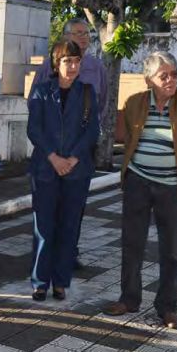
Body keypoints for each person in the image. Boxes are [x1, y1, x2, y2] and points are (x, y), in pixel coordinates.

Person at [104, 52, 177, 329]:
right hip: (138, 181)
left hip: (172, 186)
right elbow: (127, 136)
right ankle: (129, 298)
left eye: (174, 74)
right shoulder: (135, 102)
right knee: (132, 243)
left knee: (171, 249)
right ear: (149, 79)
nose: (172, 80)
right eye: (165, 75)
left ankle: (168, 307)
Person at [30, 17, 107, 269]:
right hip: (50, 154)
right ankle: (45, 260)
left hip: (80, 151)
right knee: (47, 211)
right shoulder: (48, 69)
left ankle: (68, 254)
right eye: (77, 33)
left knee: (74, 210)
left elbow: (101, 105)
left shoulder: (96, 67)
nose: (83, 38)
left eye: (86, 33)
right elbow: (36, 106)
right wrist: (52, 152)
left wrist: (79, 148)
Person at [27, 40, 98, 301]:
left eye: (77, 61)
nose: (72, 66)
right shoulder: (42, 91)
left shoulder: (88, 92)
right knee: (44, 227)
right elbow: (34, 129)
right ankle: (39, 282)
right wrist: (54, 158)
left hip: (77, 172)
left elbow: (92, 130)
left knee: (69, 228)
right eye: (67, 61)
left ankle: (61, 281)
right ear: (57, 63)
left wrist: (74, 159)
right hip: (45, 170)